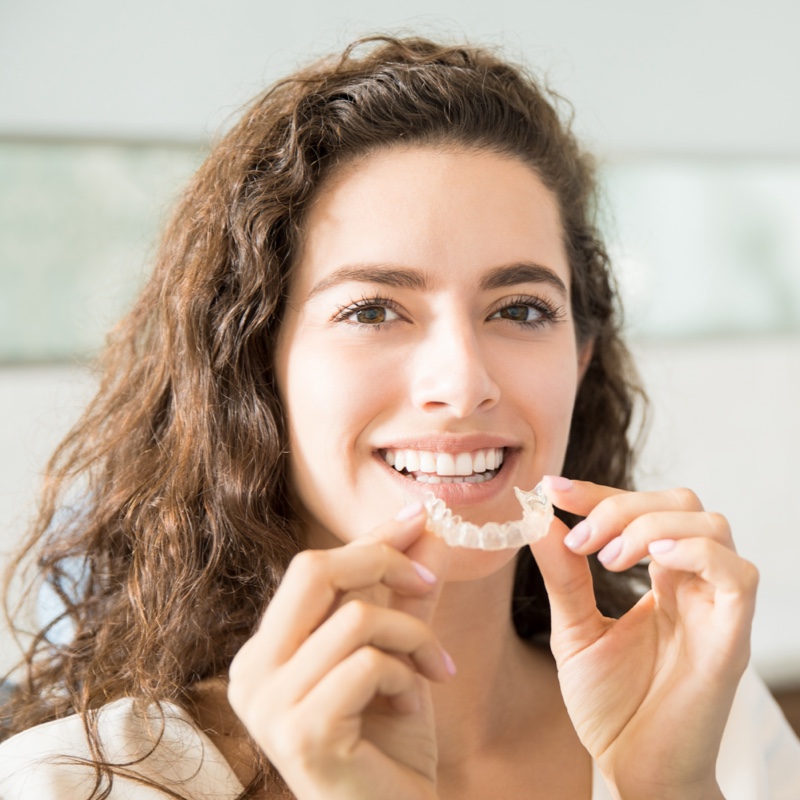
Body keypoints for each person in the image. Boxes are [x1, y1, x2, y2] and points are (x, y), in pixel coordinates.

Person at [1, 34, 799, 800]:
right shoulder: (73, 783)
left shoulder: (714, 730)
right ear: (255, 366)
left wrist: (666, 790)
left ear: (580, 361)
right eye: (374, 309)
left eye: (520, 309)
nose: (462, 383)